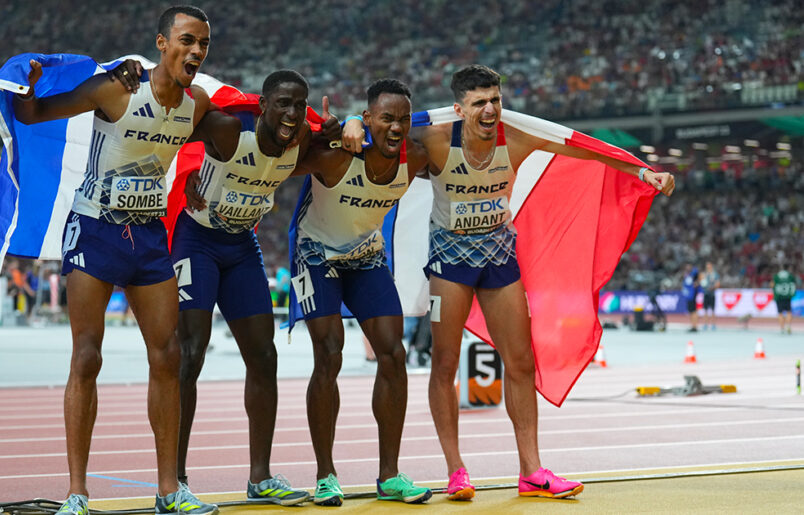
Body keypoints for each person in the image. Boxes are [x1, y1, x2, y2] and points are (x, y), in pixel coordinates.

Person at [345, 65, 674, 500]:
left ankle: (532, 471)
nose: (490, 109)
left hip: (500, 258)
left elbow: (583, 147)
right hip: (450, 261)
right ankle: (457, 470)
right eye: (479, 102)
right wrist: (352, 118)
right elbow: (384, 124)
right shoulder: (435, 136)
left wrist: (639, 171)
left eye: (495, 99)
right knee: (444, 364)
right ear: (459, 107)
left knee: (520, 362)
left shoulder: (517, 135)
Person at [11, 6, 217, 515]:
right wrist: (31, 83)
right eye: (187, 40)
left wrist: (193, 178)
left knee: (168, 355)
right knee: (87, 356)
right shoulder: (117, 89)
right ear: (161, 42)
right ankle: (77, 492)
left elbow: (230, 129)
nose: (195, 51)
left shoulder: (198, 104)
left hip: (148, 236)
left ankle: (170, 489)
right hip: (96, 230)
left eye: (204, 45)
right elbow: (33, 115)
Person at [171, 69, 339, 505]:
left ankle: (260, 477)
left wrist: (346, 127)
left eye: (300, 105)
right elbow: (177, 118)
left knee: (264, 357)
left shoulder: (301, 141)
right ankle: (176, 480)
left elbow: (342, 142)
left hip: (242, 245)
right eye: (282, 103)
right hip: (198, 239)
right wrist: (188, 170)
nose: (292, 112)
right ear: (261, 106)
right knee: (189, 353)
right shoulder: (228, 132)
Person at [293, 79, 433, 506]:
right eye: (386, 118)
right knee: (329, 352)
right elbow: (279, 160)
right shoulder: (335, 159)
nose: (396, 128)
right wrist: (337, 126)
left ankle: (389, 475)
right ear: (369, 119)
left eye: (403, 120)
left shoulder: (416, 159)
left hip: (366, 257)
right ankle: (325, 475)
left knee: (394, 354)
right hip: (316, 256)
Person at [772, 266, 798, 335]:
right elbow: (793, 285)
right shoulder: (790, 276)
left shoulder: (776, 276)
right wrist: (792, 294)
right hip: (787, 297)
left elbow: (772, 285)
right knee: (789, 312)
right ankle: (788, 325)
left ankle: (782, 328)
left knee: (780, 313)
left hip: (779, 297)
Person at [701, 261, 720, 330]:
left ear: (712, 266)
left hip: (712, 294)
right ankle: (705, 324)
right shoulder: (704, 274)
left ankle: (713, 324)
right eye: (707, 266)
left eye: (709, 266)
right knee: (705, 310)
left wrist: (712, 287)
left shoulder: (715, 275)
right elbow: (702, 282)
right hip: (706, 294)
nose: (708, 267)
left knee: (712, 310)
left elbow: (718, 284)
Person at [682, 264, 701, 333]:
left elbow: (698, 280)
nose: (687, 268)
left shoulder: (694, 274)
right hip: (689, 296)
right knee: (691, 311)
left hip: (692, 295)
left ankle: (695, 326)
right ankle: (693, 326)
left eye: (689, 266)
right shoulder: (687, 275)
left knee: (694, 311)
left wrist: (696, 284)